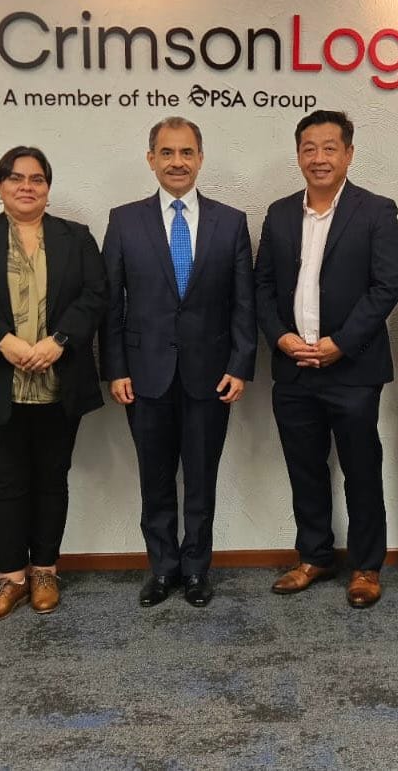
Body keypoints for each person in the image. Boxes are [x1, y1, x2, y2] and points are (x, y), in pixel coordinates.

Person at [0, 146, 109, 623]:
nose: (26, 186)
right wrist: (5, 342)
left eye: (37, 179)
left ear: (48, 188)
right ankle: (11, 577)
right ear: (0, 187)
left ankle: (45, 572)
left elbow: (95, 295)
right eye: (15, 178)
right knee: (3, 484)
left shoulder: (76, 237)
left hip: (58, 381)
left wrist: (59, 341)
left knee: (51, 480)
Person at [101, 117, 256, 609]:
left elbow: (244, 303)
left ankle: (195, 570)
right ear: (151, 159)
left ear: (200, 158)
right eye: (167, 153)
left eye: (187, 152)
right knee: (155, 479)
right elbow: (111, 304)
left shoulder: (230, 222)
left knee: (201, 480)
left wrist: (241, 364)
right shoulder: (124, 221)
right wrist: (116, 368)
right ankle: (163, 568)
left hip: (211, 375)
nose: (177, 162)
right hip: (144, 375)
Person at [254, 109, 398, 607]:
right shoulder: (279, 214)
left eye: (329, 148)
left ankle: (366, 566)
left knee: (361, 469)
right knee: (305, 468)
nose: (318, 158)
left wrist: (341, 342)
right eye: (309, 148)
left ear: (349, 154)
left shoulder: (376, 211)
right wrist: (280, 338)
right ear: (298, 154)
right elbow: (262, 286)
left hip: (353, 368)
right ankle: (314, 556)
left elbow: (387, 286)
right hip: (293, 366)